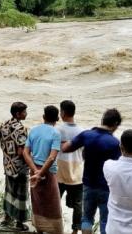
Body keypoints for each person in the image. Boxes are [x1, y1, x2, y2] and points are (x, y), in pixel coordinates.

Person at [62, 108, 123, 234]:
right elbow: (119, 168)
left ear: (102, 120)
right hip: (106, 187)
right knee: (105, 221)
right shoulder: (115, 143)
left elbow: (66, 148)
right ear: (116, 124)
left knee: (87, 218)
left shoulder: (87, 135)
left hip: (88, 183)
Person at [24, 106, 63, 234]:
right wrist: (40, 173)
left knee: (37, 201)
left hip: (34, 169)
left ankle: (39, 229)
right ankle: (54, 230)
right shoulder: (55, 133)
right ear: (57, 118)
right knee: (52, 203)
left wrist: (35, 171)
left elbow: (25, 153)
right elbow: (52, 157)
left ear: (43, 117)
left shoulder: (34, 130)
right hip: (48, 172)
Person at [0, 101, 31, 230]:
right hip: (19, 167)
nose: (26, 114)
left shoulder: (3, 125)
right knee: (21, 194)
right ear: (18, 114)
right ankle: (19, 223)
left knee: (9, 191)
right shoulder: (21, 129)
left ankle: (7, 217)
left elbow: (3, 145)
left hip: (8, 163)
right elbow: (21, 151)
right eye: (24, 112)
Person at [56, 100, 84, 234]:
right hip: (77, 173)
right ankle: (75, 231)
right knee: (78, 204)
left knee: (56, 200)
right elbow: (85, 154)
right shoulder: (82, 132)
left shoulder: (58, 130)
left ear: (63, 113)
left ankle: (56, 227)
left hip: (59, 173)